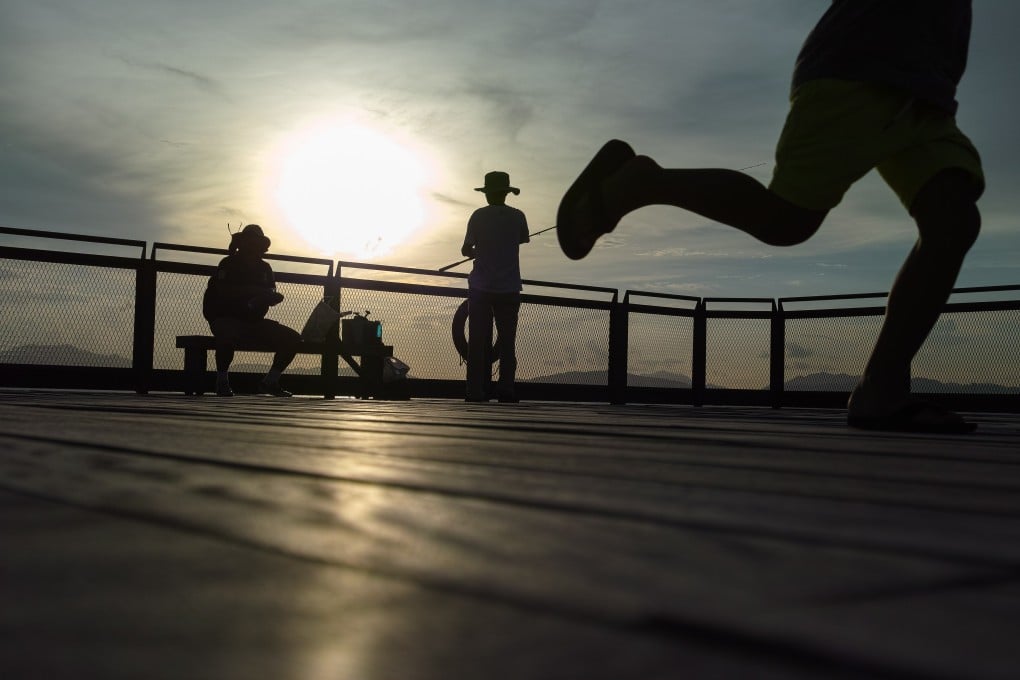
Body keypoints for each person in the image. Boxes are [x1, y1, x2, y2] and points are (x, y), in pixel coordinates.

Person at [556, 1, 983, 433]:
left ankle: (882, 390)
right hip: (863, 66)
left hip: (926, 95)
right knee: (787, 222)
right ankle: (643, 183)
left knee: (953, 222)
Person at [202, 224, 301, 397]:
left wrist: (273, 298)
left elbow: (270, 291)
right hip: (225, 317)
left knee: (292, 339)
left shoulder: (265, 268)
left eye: (256, 243)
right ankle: (222, 381)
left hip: (254, 322)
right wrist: (255, 292)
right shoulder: (228, 263)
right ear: (242, 243)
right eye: (250, 242)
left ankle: (270, 381)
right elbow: (224, 291)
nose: (253, 246)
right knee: (227, 335)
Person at [461, 171, 530, 402]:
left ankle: (474, 391)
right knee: (508, 342)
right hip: (509, 286)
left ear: (487, 194)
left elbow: (466, 249)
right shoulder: (518, 216)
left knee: (477, 341)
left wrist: (476, 251)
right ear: (506, 193)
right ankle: (506, 389)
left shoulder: (477, 216)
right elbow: (522, 239)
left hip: (480, 286)